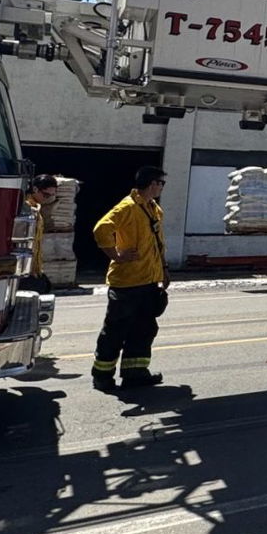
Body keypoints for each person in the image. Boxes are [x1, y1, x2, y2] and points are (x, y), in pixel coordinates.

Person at [91, 166, 169, 391]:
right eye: (161, 183)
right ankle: (102, 376)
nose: (162, 187)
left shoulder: (153, 209)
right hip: (127, 283)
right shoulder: (128, 207)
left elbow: (157, 243)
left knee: (144, 329)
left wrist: (164, 269)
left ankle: (135, 374)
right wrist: (116, 255)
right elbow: (101, 229)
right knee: (116, 330)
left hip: (148, 280)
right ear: (152, 183)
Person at [24, 173, 59, 293]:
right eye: (45, 195)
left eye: (51, 196)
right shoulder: (26, 209)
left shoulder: (36, 209)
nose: (47, 199)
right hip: (26, 265)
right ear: (35, 189)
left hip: (34, 266)